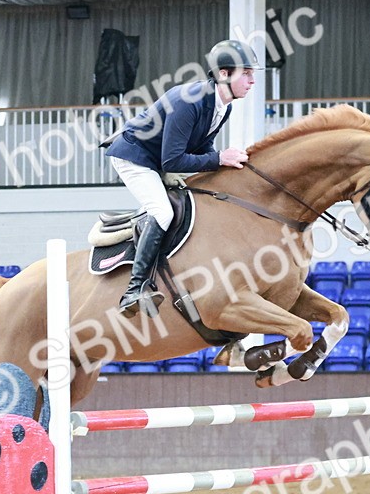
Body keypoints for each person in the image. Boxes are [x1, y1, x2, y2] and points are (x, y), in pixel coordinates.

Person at [106, 39, 259, 317]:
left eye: (252, 74)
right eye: (246, 73)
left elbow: (202, 148)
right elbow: (173, 161)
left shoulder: (223, 106)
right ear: (223, 74)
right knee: (162, 212)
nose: (252, 81)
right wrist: (219, 159)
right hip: (135, 157)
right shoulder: (190, 101)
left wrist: (224, 168)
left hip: (158, 159)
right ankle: (134, 289)